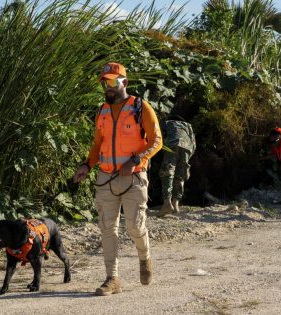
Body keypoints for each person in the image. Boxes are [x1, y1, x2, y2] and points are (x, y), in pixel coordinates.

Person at [73, 62, 162, 296]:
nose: (108, 87)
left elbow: (156, 141)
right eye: (105, 82)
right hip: (105, 179)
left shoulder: (141, 107)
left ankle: (145, 258)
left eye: (113, 81)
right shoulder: (102, 110)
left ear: (125, 82)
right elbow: (97, 144)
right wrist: (86, 165)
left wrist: (135, 161)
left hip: (134, 178)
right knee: (107, 228)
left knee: (134, 226)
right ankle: (112, 278)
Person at [158, 115, 196, 217]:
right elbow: (194, 144)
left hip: (171, 144)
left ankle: (167, 203)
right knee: (180, 176)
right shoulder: (188, 126)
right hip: (187, 148)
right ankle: (176, 204)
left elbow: (159, 137)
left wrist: (162, 150)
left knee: (167, 172)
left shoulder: (167, 123)